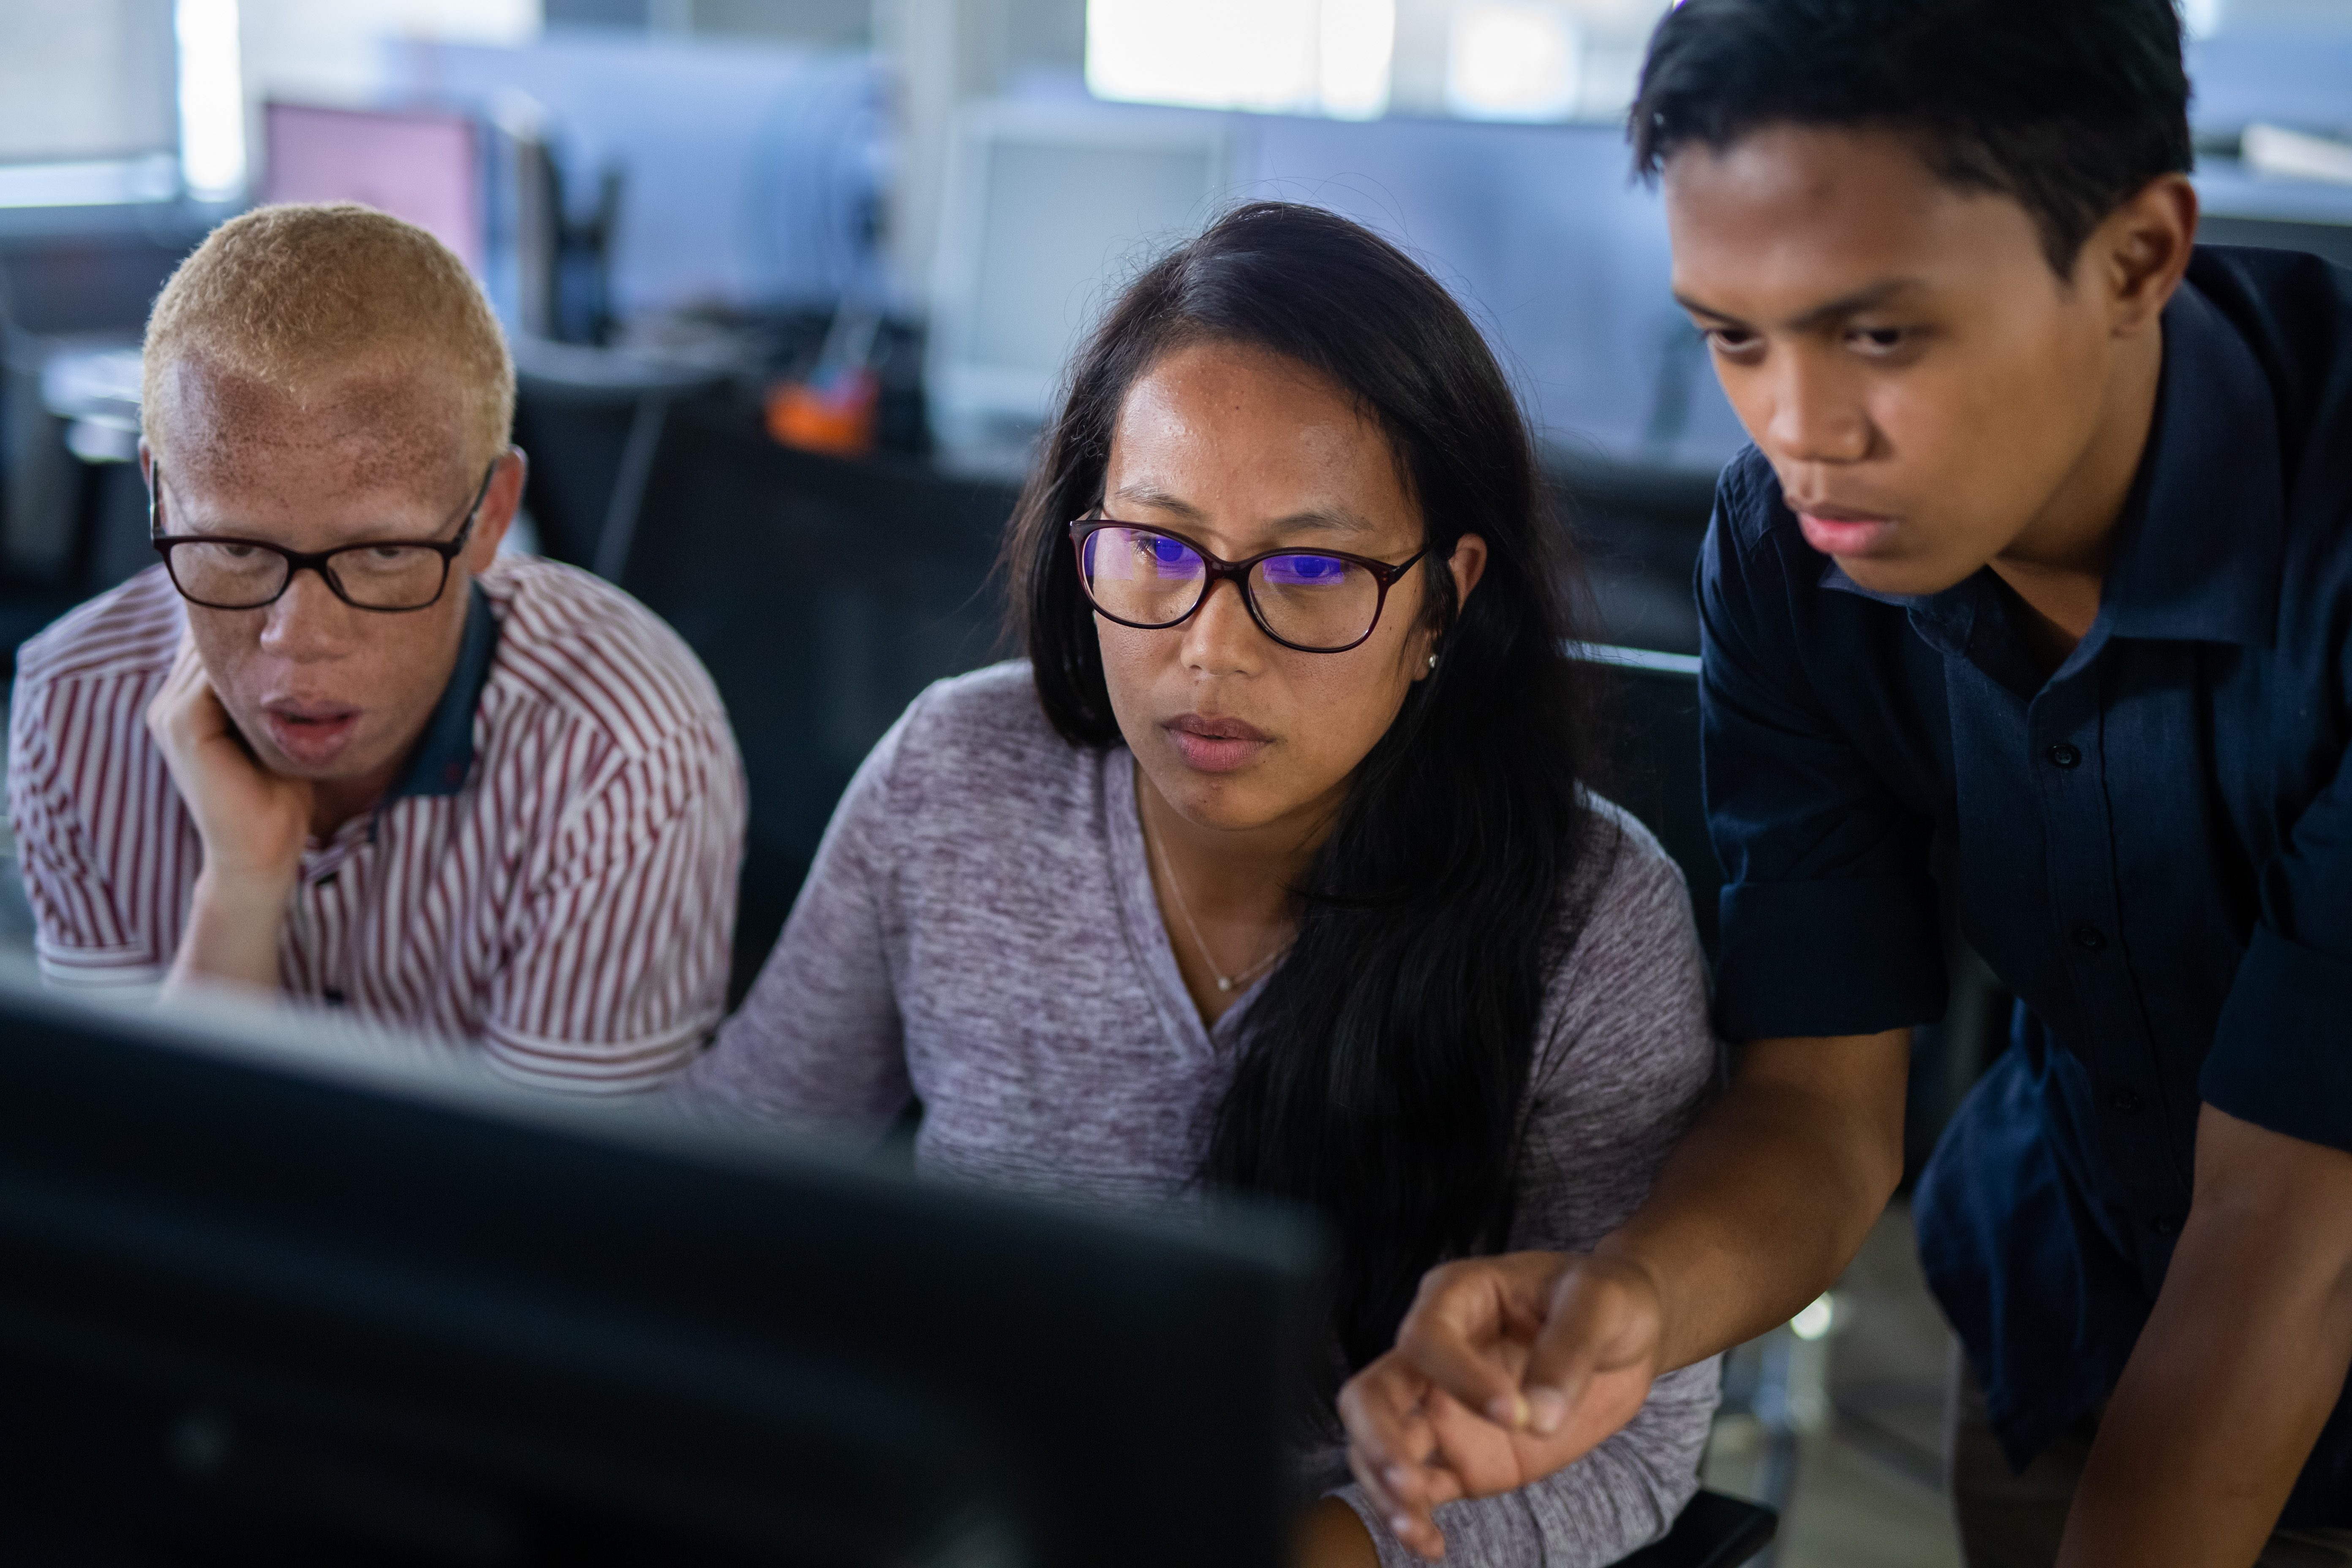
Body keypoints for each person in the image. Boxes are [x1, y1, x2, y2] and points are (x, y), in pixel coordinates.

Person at [1339, 0, 2352, 1563]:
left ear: (2136, 257)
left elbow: (2292, 1234)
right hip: (2069, 1308)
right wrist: (1635, 1297)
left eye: (1877, 334)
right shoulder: (1783, 553)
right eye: (1731, 336)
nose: (1798, 435)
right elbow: (1817, 1102)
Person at [688, 201, 1721, 1566]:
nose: (1207, 651)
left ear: (1442, 599)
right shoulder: (955, 775)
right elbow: (735, 1180)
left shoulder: (1586, 920)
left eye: (1306, 570)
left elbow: (1631, 1440)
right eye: (1156, 548)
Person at [6, 203, 746, 1092]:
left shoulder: (624, 744)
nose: (300, 639)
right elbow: (133, 1188)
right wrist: (241, 887)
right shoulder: (70, 707)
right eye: (237, 548)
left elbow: (562, 1216)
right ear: (161, 499)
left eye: (382, 552)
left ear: (491, 516)